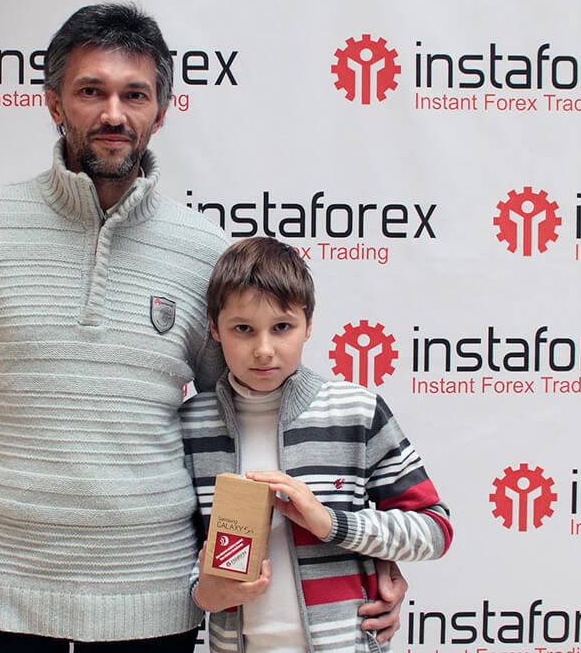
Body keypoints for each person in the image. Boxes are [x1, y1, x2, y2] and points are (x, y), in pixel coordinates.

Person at [0, 4, 408, 653]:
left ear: (160, 112)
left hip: (155, 609)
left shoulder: (205, 252)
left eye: (134, 95)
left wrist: (365, 555)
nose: (114, 113)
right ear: (53, 103)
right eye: (91, 91)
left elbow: (254, 422)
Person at [181, 237, 453, 653]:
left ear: (308, 324)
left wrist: (330, 523)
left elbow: (435, 530)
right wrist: (204, 594)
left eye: (282, 327)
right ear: (214, 329)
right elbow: (173, 553)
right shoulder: (191, 426)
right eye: (243, 329)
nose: (264, 350)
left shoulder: (356, 412)